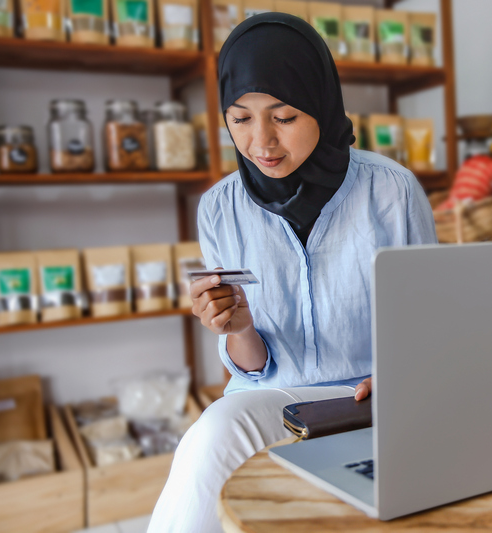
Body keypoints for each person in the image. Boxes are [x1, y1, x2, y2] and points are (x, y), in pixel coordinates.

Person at [148, 12, 437, 532]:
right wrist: (236, 327)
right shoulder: (219, 209)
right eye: (240, 119)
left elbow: (432, 327)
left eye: (283, 117)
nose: (262, 143)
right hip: (272, 401)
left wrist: (400, 377)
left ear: (321, 102)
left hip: (375, 401)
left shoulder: (391, 191)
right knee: (213, 434)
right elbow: (251, 369)